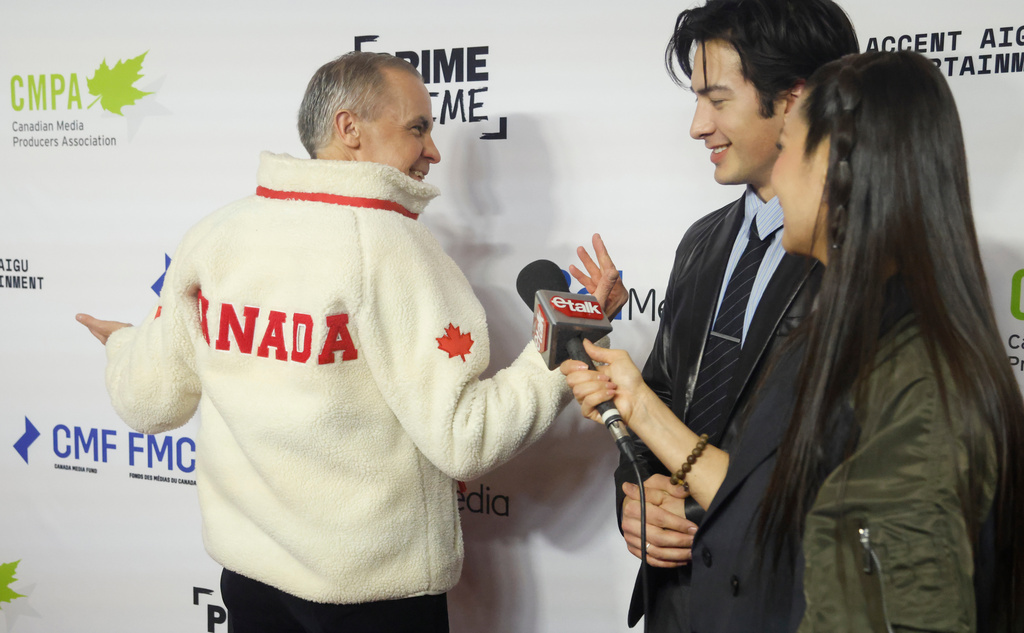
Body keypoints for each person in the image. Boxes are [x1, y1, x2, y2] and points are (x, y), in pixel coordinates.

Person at [77, 51, 570, 633]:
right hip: (373, 602)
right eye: (417, 128)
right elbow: (466, 439)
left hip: (250, 583)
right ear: (349, 128)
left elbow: (148, 400)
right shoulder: (392, 248)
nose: (433, 152)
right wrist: (562, 351)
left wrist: (125, 345)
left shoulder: (216, 235)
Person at [566, 50, 1024, 632]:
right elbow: (772, 503)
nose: (775, 180)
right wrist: (638, 406)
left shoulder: (923, 383)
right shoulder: (835, 334)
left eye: (786, 150)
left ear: (837, 169)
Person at [569, 0, 857, 630]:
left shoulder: (861, 255)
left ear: (795, 99)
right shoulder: (702, 241)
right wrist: (638, 495)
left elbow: (839, 472)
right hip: (678, 599)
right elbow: (662, 394)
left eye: (717, 100)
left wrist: (706, 509)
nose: (698, 126)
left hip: (786, 601)